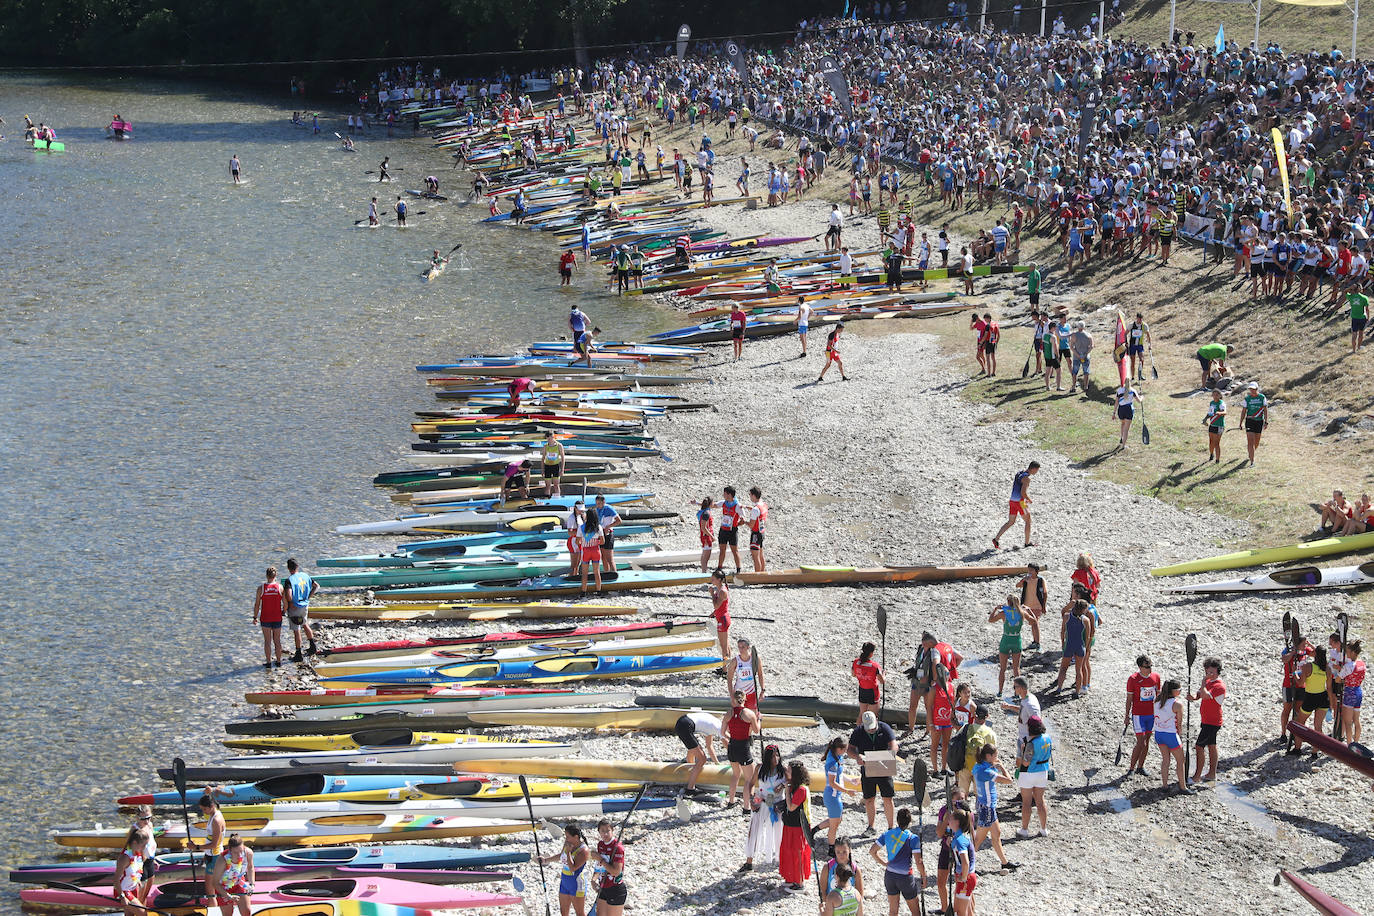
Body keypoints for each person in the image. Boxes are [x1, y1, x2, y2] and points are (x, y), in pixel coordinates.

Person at [869, 807, 927, 916]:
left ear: (897, 820)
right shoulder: (913, 838)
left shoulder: (888, 834)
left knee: (893, 911)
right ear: (910, 821)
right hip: (905, 878)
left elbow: (872, 851)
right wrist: (924, 875)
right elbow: (918, 861)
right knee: (915, 912)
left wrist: (884, 863)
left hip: (890, 876)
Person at [849, 711, 899, 832]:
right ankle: (871, 826)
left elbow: (894, 745)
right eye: (868, 729)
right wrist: (857, 757)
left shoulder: (885, 728)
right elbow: (849, 749)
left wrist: (889, 755)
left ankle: (891, 827)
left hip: (883, 767)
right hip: (867, 767)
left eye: (873, 728)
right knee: (869, 798)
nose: (871, 730)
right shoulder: (858, 731)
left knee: (887, 798)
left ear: (876, 720)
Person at [971, 744, 1016, 872]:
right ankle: (968, 865)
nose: (997, 757)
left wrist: (993, 765)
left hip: (984, 805)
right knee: (978, 840)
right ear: (989, 756)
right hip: (987, 808)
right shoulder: (987, 771)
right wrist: (1001, 767)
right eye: (995, 755)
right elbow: (1009, 780)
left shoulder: (979, 766)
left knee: (996, 834)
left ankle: (1004, 862)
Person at [742, 743, 786, 871]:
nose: (776, 758)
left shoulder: (782, 770)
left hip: (777, 802)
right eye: (773, 756)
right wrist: (751, 800)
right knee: (754, 830)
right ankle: (749, 861)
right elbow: (751, 784)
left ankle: (780, 860)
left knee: (779, 832)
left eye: (777, 755)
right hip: (760, 798)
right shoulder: (759, 768)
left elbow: (792, 781)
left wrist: (783, 785)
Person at [1189, 657, 1227, 784]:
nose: (1209, 674)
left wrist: (1203, 683)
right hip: (1206, 720)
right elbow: (1200, 695)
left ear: (1217, 670)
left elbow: (1205, 694)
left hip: (1213, 722)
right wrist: (1193, 697)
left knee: (1199, 746)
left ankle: (1197, 776)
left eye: (1212, 672)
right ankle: (1211, 774)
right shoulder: (1209, 682)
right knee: (1211, 745)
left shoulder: (1219, 686)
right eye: (1207, 672)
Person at [1153, 680, 1194, 793]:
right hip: (1171, 735)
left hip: (1158, 734)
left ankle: (1165, 785)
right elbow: (1179, 724)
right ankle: (1183, 787)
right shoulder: (1177, 704)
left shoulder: (1157, 701)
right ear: (1174, 691)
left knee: (1166, 760)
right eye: (1179, 689)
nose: (1181, 691)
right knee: (1180, 761)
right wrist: (1180, 736)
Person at [1015, 715, 1053, 834]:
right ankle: (1043, 829)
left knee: (1026, 802)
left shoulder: (1029, 743)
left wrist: (1022, 750)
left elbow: (1025, 763)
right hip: (1043, 772)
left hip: (1029, 774)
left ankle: (1024, 830)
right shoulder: (1047, 738)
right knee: (1040, 801)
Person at [778, 761, 812, 891]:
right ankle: (790, 877)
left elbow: (792, 807)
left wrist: (786, 791)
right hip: (789, 824)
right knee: (787, 850)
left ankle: (799, 882)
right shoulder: (794, 786)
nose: (787, 773)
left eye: (789, 771)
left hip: (798, 827)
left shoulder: (802, 789)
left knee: (797, 852)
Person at [540, 824, 589, 916]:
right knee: (564, 912)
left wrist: (569, 852)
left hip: (576, 883)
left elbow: (572, 868)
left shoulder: (584, 851)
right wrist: (545, 860)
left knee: (579, 913)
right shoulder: (568, 844)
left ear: (576, 837)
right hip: (565, 882)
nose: (566, 839)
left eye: (568, 837)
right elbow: (561, 855)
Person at [1125, 655, 1161, 776]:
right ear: (1140, 667)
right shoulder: (1133, 679)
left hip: (1151, 715)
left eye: (1151, 666)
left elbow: (1158, 696)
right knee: (1141, 743)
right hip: (1138, 715)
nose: (1150, 669)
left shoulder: (1156, 677)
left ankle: (1140, 766)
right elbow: (1129, 698)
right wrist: (1126, 715)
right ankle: (1131, 768)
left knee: (1147, 740)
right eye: (1147, 667)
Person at [821, 735, 858, 852]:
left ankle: (815, 830)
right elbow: (832, 783)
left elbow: (840, 775)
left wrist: (850, 781)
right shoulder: (833, 762)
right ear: (840, 749)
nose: (846, 752)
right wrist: (847, 791)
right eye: (845, 750)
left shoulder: (837, 757)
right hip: (832, 796)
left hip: (834, 795)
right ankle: (831, 849)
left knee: (837, 819)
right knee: (834, 825)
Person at [723, 690, 760, 806]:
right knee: (749, 779)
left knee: (735, 774)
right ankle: (746, 807)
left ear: (733, 699)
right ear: (744, 699)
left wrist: (733, 738)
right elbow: (756, 730)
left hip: (732, 746)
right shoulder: (749, 714)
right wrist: (759, 720)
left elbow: (723, 732)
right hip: (743, 747)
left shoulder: (728, 713)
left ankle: (731, 801)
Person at [1051, 599, 1095, 696]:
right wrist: (1086, 647)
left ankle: (1059, 688)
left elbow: (1062, 632)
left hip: (1069, 645)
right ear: (1083, 609)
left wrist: (1063, 643)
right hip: (1080, 646)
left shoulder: (1067, 616)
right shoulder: (1086, 620)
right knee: (1078, 670)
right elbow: (1088, 636)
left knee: (1063, 668)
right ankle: (1077, 691)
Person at [992, 460, 1039, 550]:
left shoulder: (1019, 473)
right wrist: (1029, 499)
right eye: (1037, 470)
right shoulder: (1027, 479)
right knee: (1028, 521)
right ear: (1033, 469)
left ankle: (996, 539)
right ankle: (1027, 543)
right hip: (1021, 502)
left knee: (1011, 522)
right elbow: (1023, 492)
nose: (1037, 472)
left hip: (1012, 500)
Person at [674, 709, 721, 791]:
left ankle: (690, 773)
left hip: (682, 721)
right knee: (702, 759)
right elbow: (728, 745)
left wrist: (717, 764)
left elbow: (709, 746)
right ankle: (690, 788)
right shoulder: (719, 728)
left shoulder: (713, 723)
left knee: (693, 749)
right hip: (685, 725)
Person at [988, 597, 1026, 697]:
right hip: (1016, 640)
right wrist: (1029, 610)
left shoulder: (1004, 613)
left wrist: (996, 609)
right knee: (1016, 668)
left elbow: (990, 620)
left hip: (1006, 640)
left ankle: (1000, 691)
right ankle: (1017, 693)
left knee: (1003, 668)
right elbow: (1034, 621)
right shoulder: (1022, 613)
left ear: (1008, 603)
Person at [958, 704, 997, 797]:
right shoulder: (990, 733)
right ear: (987, 716)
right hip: (981, 768)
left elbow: (957, 744)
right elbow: (993, 753)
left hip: (965, 765)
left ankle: (961, 810)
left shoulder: (966, 728)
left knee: (962, 794)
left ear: (974, 715)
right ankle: (979, 811)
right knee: (979, 795)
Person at [210, 834, 255, 916]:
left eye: (241, 851)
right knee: (228, 914)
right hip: (223, 887)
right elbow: (215, 883)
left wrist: (252, 884)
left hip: (238, 883)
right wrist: (228, 896)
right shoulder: (222, 860)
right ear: (230, 850)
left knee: (247, 912)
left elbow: (250, 868)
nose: (239, 855)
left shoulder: (248, 853)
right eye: (235, 852)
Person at [112, 824, 152, 914]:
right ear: (134, 843)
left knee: (130, 914)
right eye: (143, 845)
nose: (144, 848)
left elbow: (137, 870)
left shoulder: (138, 854)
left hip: (133, 888)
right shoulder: (125, 858)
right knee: (143, 913)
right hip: (124, 891)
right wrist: (122, 896)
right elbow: (115, 879)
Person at [283, 558, 318, 661]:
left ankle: (298, 653)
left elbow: (289, 596)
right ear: (297, 566)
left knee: (296, 630)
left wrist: (290, 602)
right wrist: (308, 597)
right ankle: (312, 645)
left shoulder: (289, 580)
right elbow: (316, 586)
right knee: (304, 623)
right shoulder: (305, 576)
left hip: (295, 607)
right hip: (304, 604)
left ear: (288, 568)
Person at [589, 819, 626, 916]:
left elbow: (616, 872)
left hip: (615, 889)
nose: (605, 834)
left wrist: (601, 859)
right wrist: (593, 880)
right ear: (599, 832)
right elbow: (599, 867)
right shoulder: (600, 845)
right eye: (602, 831)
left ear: (612, 831)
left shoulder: (617, 847)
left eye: (608, 831)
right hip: (603, 887)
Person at [251, 566, 285, 669]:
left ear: (266, 575)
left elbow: (257, 604)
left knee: (267, 641)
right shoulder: (280, 587)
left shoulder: (261, 588)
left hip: (265, 618)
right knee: (277, 640)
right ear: (276, 576)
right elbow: (285, 603)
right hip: (277, 617)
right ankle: (279, 661)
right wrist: (283, 611)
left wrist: (255, 617)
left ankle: (269, 662)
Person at [197, 794, 227, 896]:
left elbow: (214, 844)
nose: (203, 812)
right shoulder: (213, 815)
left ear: (212, 806)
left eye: (204, 809)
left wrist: (196, 847)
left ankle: (213, 909)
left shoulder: (216, 820)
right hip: (211, 855)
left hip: (215, 856)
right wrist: (205, 854)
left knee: (210, 890)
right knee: (210, 888)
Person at [1335, 639, 1365, 743]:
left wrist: (1340, 671)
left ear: (1352, 652)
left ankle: (1349, 746)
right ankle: (1356, 743)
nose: (1346, 653)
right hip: (1358, 691)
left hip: (1349, 692)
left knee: (1347, 722)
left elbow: (1338, 679)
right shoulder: (1362, 663)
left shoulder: (1348, 666)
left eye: (1347, 651)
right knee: (1356, 721)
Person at [949, 807, 977, 916]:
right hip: (966, 876)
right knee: (965, 910)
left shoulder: (960, 840)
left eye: (950, 819)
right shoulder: (960, 837)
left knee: (960, 912)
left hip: (966, 878)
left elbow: (965, 862)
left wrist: (964, 877)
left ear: (957, 822)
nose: (948, 822)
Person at [726, 637, 763, 711]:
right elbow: (729, 679)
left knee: (752, 715)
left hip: (751, 692)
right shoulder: (735, 661)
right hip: (739, 693)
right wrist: (732, 695)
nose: (741, 650)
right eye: (739, 647)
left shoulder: (755, 659)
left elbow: (760, 674)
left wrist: (763, 690)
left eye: (743, 647)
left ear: (748, 647)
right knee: (740, 714)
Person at [712, 486, 743, 572]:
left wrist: (737, 524)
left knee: (734, 551)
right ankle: (719, 567)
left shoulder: (737, 506)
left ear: (729, 494)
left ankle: (738, 569)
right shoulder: (723, 502)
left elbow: (743, 518)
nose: (723, 495)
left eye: (724, 493)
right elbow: (713, 505)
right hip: (723, 530)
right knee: (722, 550)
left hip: (732, 531)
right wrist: (698, 503)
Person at [852, 642, 885, 720]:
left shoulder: (856, 662)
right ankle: (871, 731)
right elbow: (882, 681)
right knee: (873, 716)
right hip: (873, 692)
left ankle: (859, 730)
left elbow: (853, 674)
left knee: (861, 714)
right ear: (871, 654)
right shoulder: (874, 666)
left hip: (862, 689)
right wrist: (884, 674)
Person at [593, 494, 621, 577]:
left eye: (599, 503)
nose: (597, 505)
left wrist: (608, 526)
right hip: (601, 535)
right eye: (596, 503)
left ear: (603, 502)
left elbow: (619, 521)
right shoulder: (597, 509)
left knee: (609, 558)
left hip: (608, 534)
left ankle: (614, 574)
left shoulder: (609, 509)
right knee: (603, 557)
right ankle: (607, 574)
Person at [1241, 380, 1268, 467]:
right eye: (1250, 389)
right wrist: (1240, 422)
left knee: (1257, 441)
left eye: (1253, 389)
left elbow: (1265, 409)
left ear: (1257, 389)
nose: (1252, 391)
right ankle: (1252, 461)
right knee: (1250, 441)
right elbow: (1244, 411)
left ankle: (1251, 452)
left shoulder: (1262, 397)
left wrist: (1266, 421)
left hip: (1259, 421)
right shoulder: (1247, 399)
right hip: (1249, 421)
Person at [578, 512, 604, 593]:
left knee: (584, 573)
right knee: (597, 572)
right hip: (595, 550)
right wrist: (596, 542)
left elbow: (577, 541)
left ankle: (583, 592)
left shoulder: (581, 527)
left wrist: (583, 542)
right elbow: (603, 541)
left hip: (586, 551)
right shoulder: (598, 527)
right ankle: (599, 591)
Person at [745, 486, 768, 572]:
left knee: (755, 556)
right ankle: (762, 573)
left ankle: (757, 575)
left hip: (755, 533)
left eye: (750, 495)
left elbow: (751, 525)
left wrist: (744, 522)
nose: (750, 496)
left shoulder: (755, 510)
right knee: (761, 554)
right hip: (762, 531)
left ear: (754, 495)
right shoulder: (763, 505)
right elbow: (759, 514)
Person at [1126, 312, 1152, 381]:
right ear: (1136, 318)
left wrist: (1150, 345)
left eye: (1141, 319)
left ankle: (1140, 375)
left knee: (1142, 359)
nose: (1140, 321)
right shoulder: (1131, 325)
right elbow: (1125, 333)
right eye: (1139, 319)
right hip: (1132, 345)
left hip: (1140, 345)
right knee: (1133, 362)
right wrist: (1126, 343)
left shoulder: (1144, 325)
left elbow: (1148, 336)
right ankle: (1132, 377)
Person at [1114, 384, 1141, 449]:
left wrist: (1114, 413)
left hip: (1121, 410)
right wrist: (1142, 397)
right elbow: (1139, 401)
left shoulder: (1119, 390)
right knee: (1126, 429)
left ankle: (1121, 438)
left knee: (1122, 424)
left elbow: (1116, 402)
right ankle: (1123, 445)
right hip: (1129, 410)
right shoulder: (1133, 390)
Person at [540, 431, 566, 496]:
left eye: (550, 439)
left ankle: (557, 498)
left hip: (555, 466)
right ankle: (547, 498)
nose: (549, 440)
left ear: (553, 437)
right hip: (547, 466)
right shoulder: (545, 446)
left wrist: (562, 470)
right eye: (547, 439)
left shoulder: (559, 445)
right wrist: (542, 470)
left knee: (556, 485)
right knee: (548, 486)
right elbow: (543, 459)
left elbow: (563, 458)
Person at [1205, 389, 1227, 462]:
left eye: (1217, 395)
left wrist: (1219, 413)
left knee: (1217, 443)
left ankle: (1217, 459)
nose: (1215, 396)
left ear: (1220, 395)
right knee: (1211, 441)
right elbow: (1210, 413)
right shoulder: (1211, 403)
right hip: (1212, 424)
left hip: (1219, 425)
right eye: (1213, 395)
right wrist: (1205, 419)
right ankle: (1211, 454)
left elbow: (1224, 412)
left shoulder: (1221, 403)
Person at [696, 497, 716, 573]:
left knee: (704, 555)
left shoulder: (705, 512)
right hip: (706, 537)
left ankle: (703, 572)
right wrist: (711, 536)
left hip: (705, 536)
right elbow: (703, 527)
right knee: (706, 557)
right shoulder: (706, 513)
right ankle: (704, 573)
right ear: (710, 504)